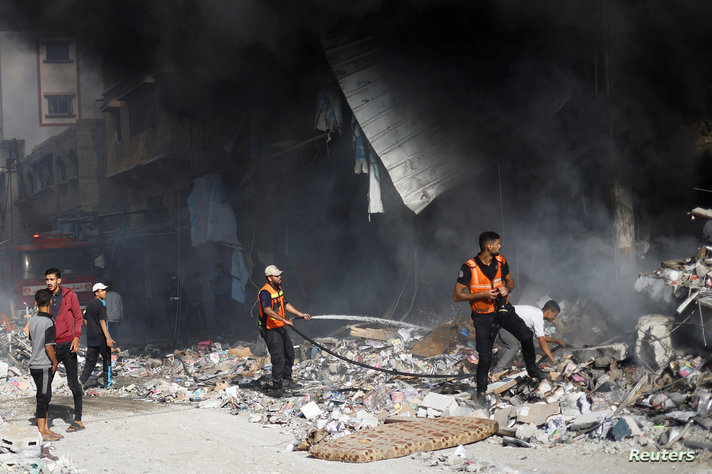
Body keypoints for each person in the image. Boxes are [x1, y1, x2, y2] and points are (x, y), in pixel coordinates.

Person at [453, 231, 548, 407]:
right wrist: (482, 294)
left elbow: (511, 281)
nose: (500, 246)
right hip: (483, 317)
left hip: (503, 310)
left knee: (526, 335)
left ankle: (531, 367)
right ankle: (481, 391)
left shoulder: (501, 261)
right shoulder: (469, 267)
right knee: (486, 356)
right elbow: (457, 296)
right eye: (498, 243)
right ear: (489, 246)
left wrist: (506, 288)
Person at [257, 265, 311, 396]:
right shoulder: (265, 292)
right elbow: (267, 310)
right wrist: (285, 320)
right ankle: (277, 388)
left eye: (279, 275)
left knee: (289, 352)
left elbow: (285, 304)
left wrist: (300, 314)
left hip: (279, 326)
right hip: (269, 329)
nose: (280, 277)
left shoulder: (278, 288)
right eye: (276, 275)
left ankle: (287, 380)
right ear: (269, 278)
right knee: (278, 357)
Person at [45, 267, 84, 432]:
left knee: (73, 383)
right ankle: (44, 422)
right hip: (51, 346)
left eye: (51, 279)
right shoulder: (44, 296)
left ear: (59, 280)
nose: (48, 283)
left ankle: (78, 420)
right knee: (46, 383)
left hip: (68, 344)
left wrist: (76, 337)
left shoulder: (70, 295)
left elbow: (78, 317)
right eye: (46, 280)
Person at [492, 300, 566, 372]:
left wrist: (558, 342)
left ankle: (496, 367)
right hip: (502, 321)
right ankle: (496, 371)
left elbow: (543, 337)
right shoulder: (537, 317)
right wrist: (553, 360)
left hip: (502, 320)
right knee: (513, 347)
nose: (555, 318)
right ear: (549, 312)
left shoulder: (536, 313)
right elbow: (542, 342)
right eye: (555, 315)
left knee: (516, 343)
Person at [28, 289, 60, 441]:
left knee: (44, 396)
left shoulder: (33, 320)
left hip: (34, 365)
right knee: (43, 397)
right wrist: (55, 362)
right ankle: (42, 431)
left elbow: (31, 338)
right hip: (43, 365)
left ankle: (46, 428)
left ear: (35, 303)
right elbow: (49, 346)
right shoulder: (49, 322)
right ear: (51, 302)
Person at [80, 283, 115, 389]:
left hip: (91, 337)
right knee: (107, 360)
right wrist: (108, 338)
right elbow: (102, 321)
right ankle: (107, 384)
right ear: (96, 292)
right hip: (101, 337)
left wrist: (92, 327)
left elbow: (85, 320)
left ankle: (81, 381)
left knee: (90, 362)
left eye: (105, 290)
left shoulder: (89, 304)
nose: (105, 292)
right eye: (102, 290)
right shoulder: (101, 304)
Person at [104, 280, 124, 344]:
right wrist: (122, 318)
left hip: (108, 318)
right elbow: (121, 307)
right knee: (115, 334)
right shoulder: (117, 295)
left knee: (110, 334)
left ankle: (113, 347)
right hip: (117, 317)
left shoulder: (104, 296)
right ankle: (116, 346)